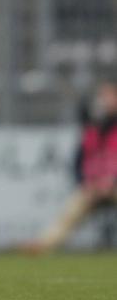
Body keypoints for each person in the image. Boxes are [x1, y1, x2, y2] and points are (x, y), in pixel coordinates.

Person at [23, 82, 117, 254]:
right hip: (92, 187)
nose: (105, 101)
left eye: (110, 97)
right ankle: (42, 245)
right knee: (70, 212)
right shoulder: (92, 129)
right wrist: (85, 183)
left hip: (113, 186)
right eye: (102, 97)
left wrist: (111, 184)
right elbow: (78, 163)